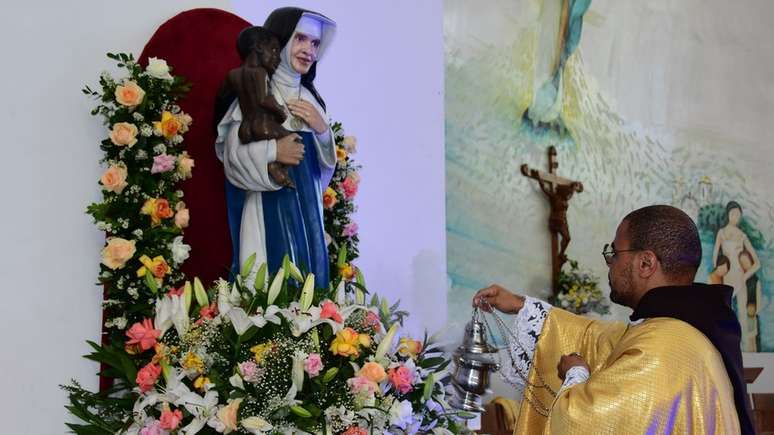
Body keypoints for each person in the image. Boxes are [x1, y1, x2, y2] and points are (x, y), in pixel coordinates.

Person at [473, 205, 754, 434]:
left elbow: (581, 423)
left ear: (645, 263)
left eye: (614, 253)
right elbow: (598, 337)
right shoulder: (679, 329)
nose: (609, 262)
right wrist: (522, 306)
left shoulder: (660, 349)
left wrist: (577, 374)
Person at [214, 8, 337, 286]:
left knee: (311, 288)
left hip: (308, 214)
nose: (308, 50)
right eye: (301, 39)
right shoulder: (255, 90)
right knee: (269, 289)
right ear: (279, 41)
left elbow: (323, 175)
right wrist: (274, 152)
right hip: (266, 207)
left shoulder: (311, 100)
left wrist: (321, 130)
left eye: (315, 43)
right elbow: (232, 157)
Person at [712, 201, 760, 352]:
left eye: (738, 214)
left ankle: (745, 353)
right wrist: (719, 271)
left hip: (740, 278)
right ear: (728, 214)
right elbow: (715, 257)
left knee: (743, 317)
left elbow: (757, 263)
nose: (735, 217)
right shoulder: (722, 233)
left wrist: (745, 276)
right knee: (726, 315)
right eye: (733, 213)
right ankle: (727, 351)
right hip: (726, 279)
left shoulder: (742, 235)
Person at [740, 250, 763, 352]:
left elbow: (758, 298)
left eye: (746, 262)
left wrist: (755, 311)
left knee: (752, 339)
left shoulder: (755, 280)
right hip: (743, 312)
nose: (745, 265)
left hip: (751, 312)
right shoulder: (741, 278)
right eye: (742, 263)